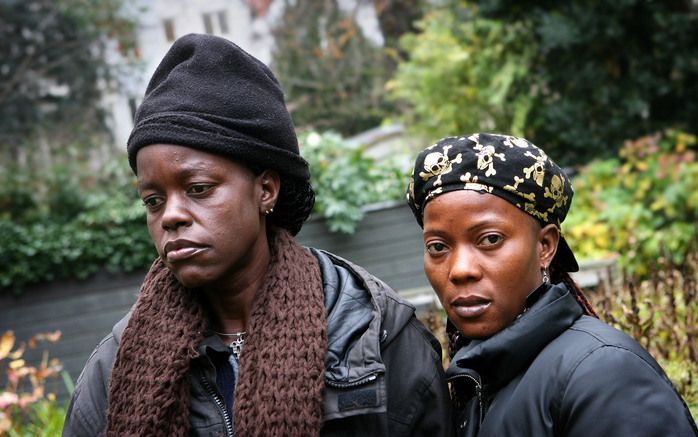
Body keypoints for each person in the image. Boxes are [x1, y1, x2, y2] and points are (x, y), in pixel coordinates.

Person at [62, 33, 451, 437]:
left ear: (265, 189)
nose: (171, 216)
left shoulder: (372, 335)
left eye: (198, 189)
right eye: (153, 200)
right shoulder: (119, 366)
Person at [405, 133, 698, 436]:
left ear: (545, 246)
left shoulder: (604, 372)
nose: (460, 270)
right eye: (438, 247)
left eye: (490, 239)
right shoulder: (475, 380)